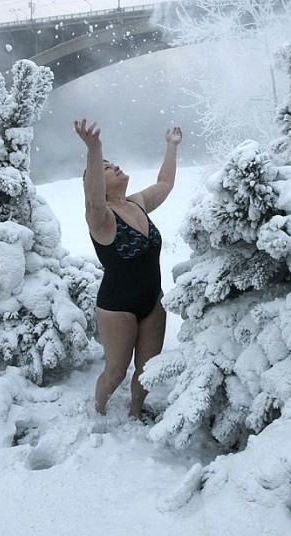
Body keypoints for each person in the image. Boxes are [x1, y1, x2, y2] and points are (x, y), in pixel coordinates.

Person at [73, 118, 182, 418]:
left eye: (112, 164)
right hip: (116, 307)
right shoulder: (102, 219)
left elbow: (165, 184)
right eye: (107, 169)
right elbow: (93, 200)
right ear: (98, 184)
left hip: (152, 302)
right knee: (116, 372)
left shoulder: (137, 203)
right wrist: (95, 151)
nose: (115, 167)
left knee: (147, 369)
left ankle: (136, 411)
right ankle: (98, 411)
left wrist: (171, 146)